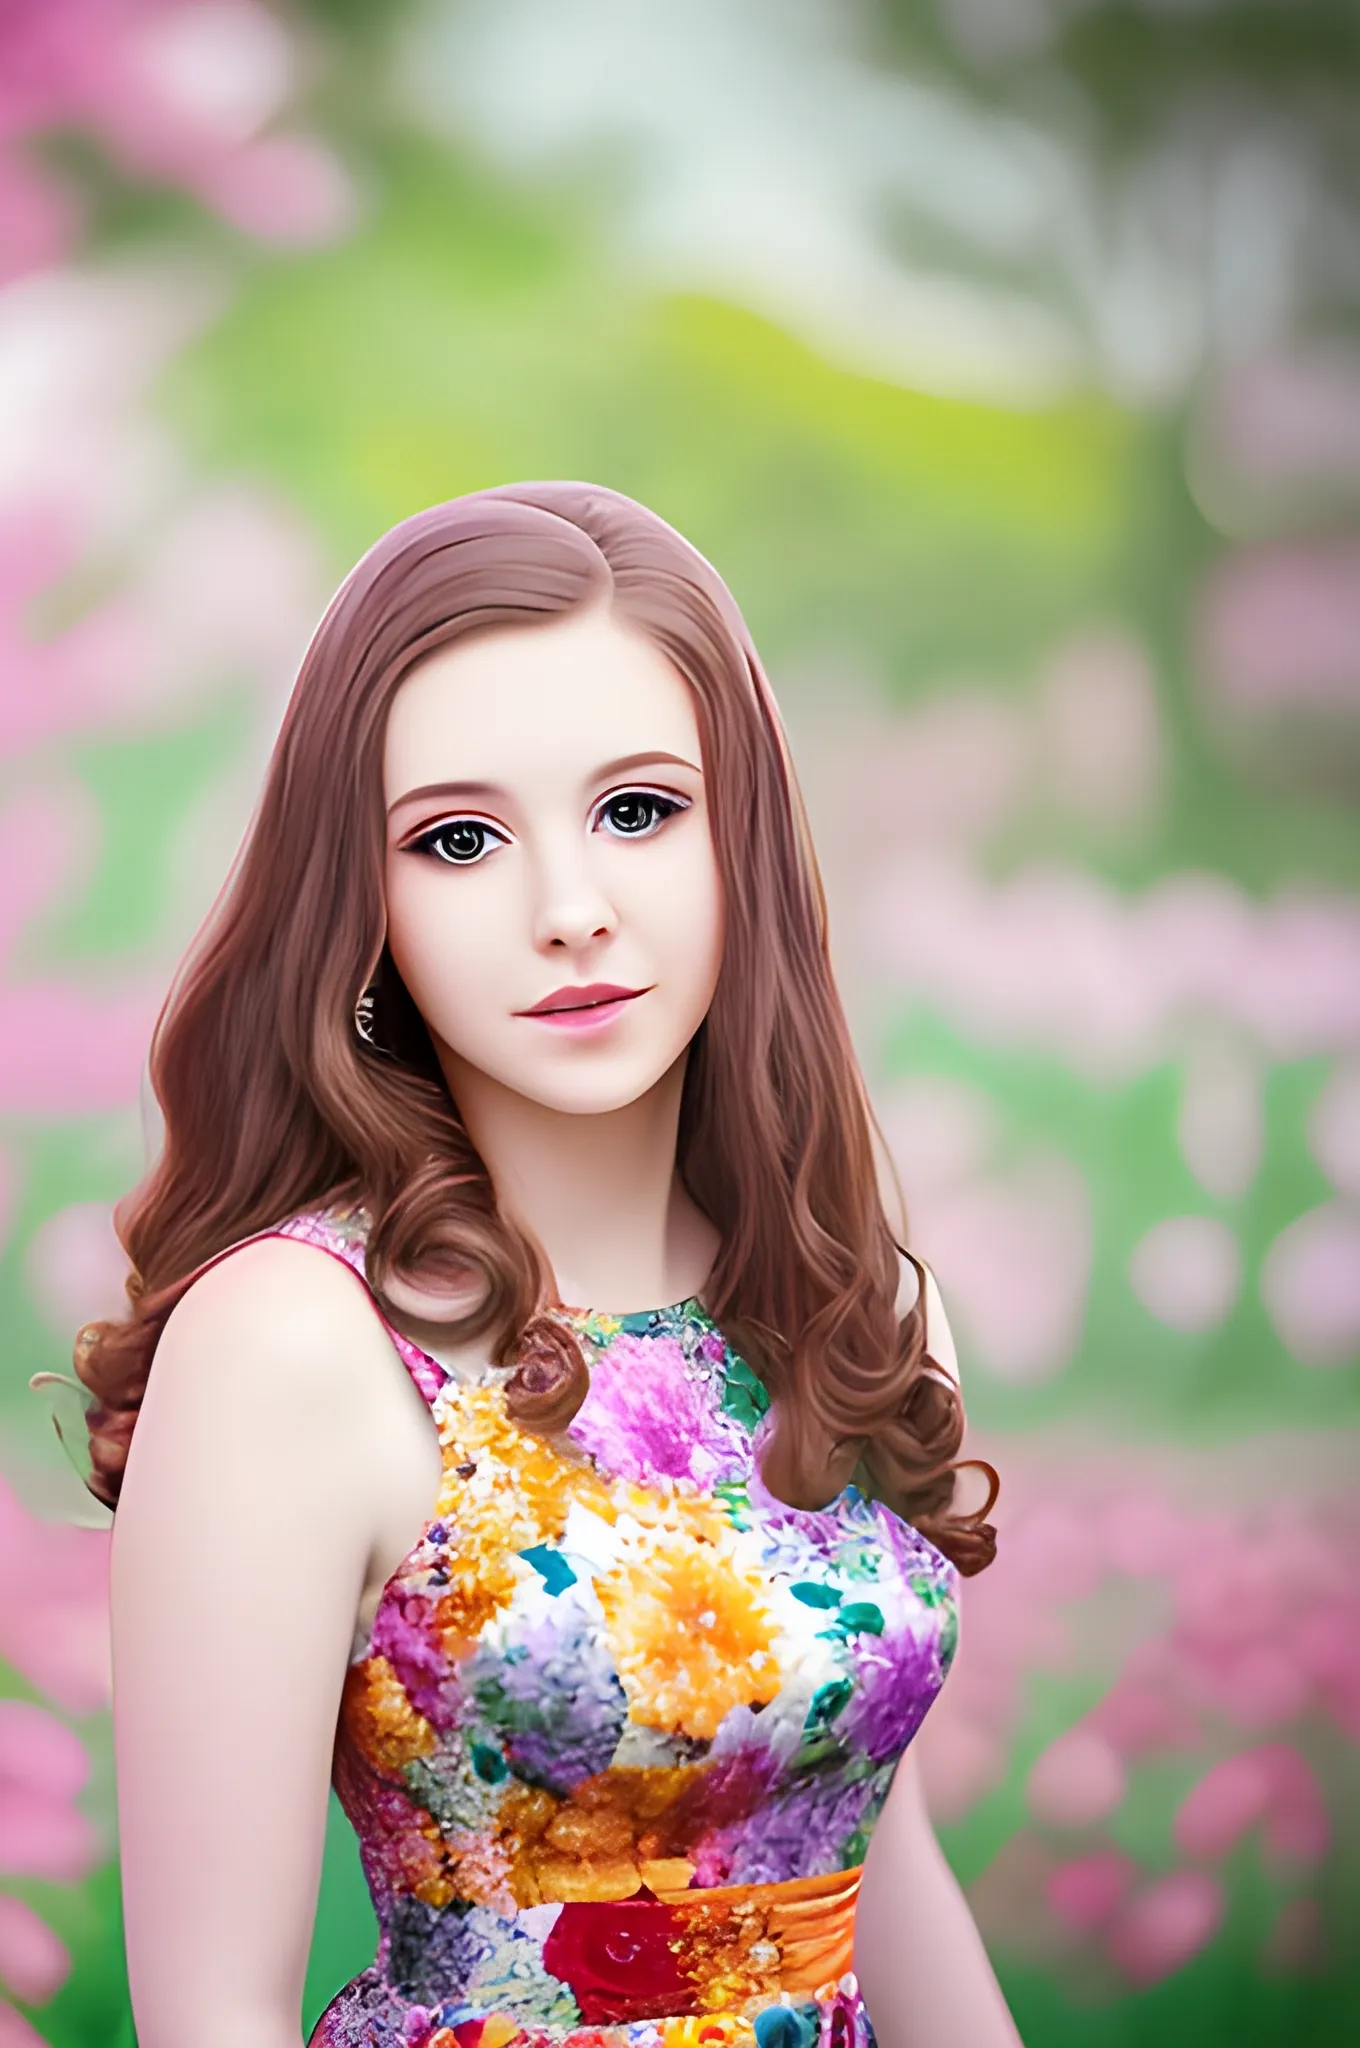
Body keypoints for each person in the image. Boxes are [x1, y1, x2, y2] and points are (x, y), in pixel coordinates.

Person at [75, 483, 1021, 2048]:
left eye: (638, 811)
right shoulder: (297, 1344)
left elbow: (869, 1855)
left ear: (745, 844)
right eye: (459, 839)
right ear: (363, 903)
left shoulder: (859, 1311)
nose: (570, 911)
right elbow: (206, 2015)